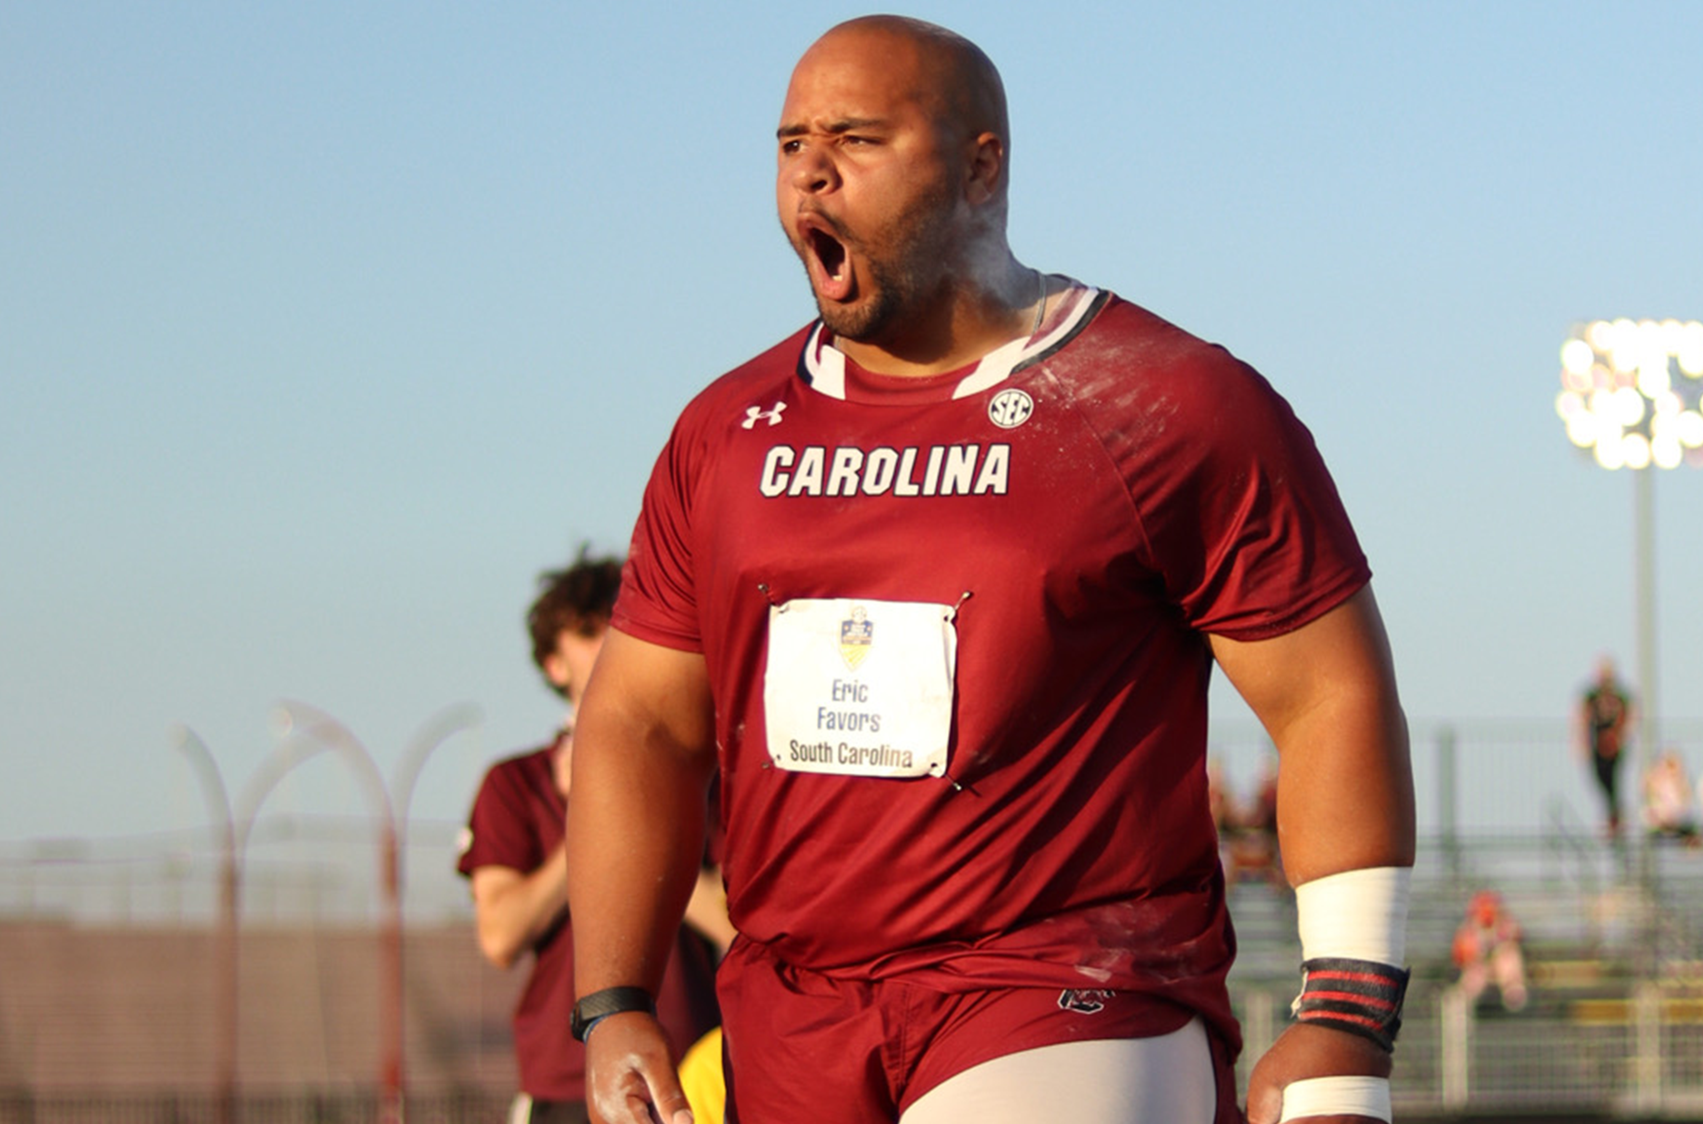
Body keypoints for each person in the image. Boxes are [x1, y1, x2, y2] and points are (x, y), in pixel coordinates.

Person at [565, 16, 1415, 1124]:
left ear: (981, 166)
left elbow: (1327, 694)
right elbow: (641, 720)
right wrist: (614, 996)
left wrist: (1345, 1013)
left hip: (1063, 988)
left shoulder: (1165, 402)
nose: (810, 169)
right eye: (789, 144)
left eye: (856, 139)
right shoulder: (723, 432)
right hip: (793, 1011)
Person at [457, 550, 729, 1123]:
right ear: (553, 663)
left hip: (695, 1071)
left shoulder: (703, 780)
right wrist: (592, 815)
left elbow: (737, 923)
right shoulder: (514, 784)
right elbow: (501, 934)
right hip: (567, 1077)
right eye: (585, 630)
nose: (606, 637)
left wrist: (643, 815)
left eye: (617, 619)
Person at [1575, 656, 1635, 839]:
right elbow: (1581, 717)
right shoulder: (1591, 695)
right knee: (1599, 779)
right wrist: (1581, 741)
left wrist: (1620, 737)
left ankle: (1615, 818)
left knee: (1613, 781)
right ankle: (1614, 815)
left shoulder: (1621, 696)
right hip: (1597, 746)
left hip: (1614, 747)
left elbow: (1630, 715)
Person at [1450, 890, 1528, 1012]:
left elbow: (1517, 937)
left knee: (1509, 957)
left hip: (1501, 968)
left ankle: (1514, 994)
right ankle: (1460, 1005)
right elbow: (1462, 957)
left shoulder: (1506, 925)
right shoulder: (1468, 931)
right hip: (1479, 968)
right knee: (1473, 977)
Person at [1640, 747, 1699, 845]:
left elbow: (1685, 801)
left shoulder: (1682, 781)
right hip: (1658, 820)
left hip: (1677, 820)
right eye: (1668, 764)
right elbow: (1648, 796)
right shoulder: (1654, 779)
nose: (1671, 768)